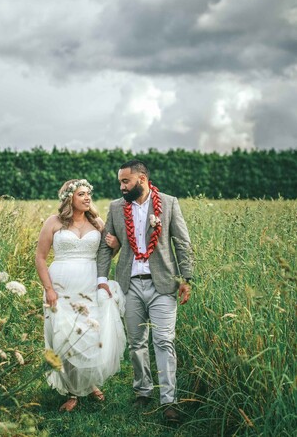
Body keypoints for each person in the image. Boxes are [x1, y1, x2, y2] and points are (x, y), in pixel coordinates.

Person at [97, 160, 193, 423]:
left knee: (163, 341)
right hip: (129, 283)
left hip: (162, 284)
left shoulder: (169, 203)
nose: (121, 186)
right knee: (137, 343)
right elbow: (107, 246)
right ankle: (143, 390)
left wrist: (187, 278)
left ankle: (169, 401)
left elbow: (182, 242)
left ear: (141, 179)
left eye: (125, 181)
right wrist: (101, 279)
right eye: (120, 182)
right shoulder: (117, 207)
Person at [35, 179, 126, 412]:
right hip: (61, 286)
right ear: (69, 199)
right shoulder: (53, 222)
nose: (87, 198)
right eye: (81, 194)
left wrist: (115, 245)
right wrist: (48, 289)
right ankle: (73, 391)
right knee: (64, 335)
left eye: (89, 194)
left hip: (89, 283)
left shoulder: (96, 222)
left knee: (90, 333)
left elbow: (107, 253)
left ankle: (90, 382)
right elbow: (41, 258)